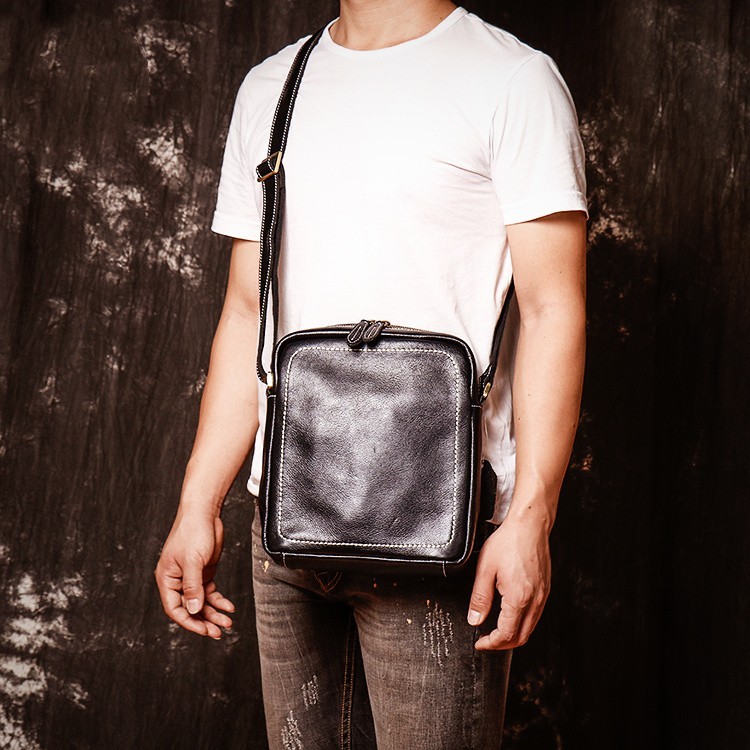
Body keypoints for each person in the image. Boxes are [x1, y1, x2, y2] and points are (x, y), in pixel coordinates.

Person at [154, 1, 587, 747]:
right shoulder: (273, 85)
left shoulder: (514, 80)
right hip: (287, 524)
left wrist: (530, 518)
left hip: (438, 529)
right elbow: (246, 312)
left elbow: (555, 311)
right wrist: (198, 502)